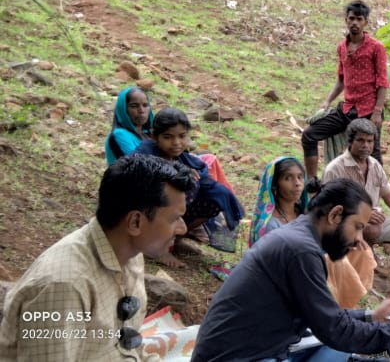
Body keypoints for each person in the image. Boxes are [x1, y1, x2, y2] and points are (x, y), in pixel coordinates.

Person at [191, 178, 390, 362]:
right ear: (335, 215)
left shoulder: (300, 239)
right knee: (344, 346)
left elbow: (327, 318)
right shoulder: (300, 250)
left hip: (261, 347)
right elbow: (336, 330)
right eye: (356, 226)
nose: (359, 239)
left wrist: (370, 316)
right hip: (240, 357)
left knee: (343, 350)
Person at [0, 155, 196, 361]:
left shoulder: (132, 255)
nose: (182, 228)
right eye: (175, 219)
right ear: (136, 222)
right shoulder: (65, 286)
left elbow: (129, 348)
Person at [252, 156, 376, 309]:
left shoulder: (304, 213)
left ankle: (347, 302)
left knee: (360, 250)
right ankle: (336, 307)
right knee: (335, 261)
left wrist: (354, 237)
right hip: (290, 274)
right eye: (288, 178)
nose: (297, 183)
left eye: (299, 177)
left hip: (310, 259)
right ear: (275, 185)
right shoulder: (271, 224)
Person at [131, 107, 244, 267]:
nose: (177, 143)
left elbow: (204, 178)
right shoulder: (145, 152)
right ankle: (157, 247)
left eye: (182, 136)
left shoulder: (183, 158)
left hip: (171, 212)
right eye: (168, 137)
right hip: (144, 208)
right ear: (155, 137)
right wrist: (176, 173)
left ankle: (174, 239)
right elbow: (140, 176)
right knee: (182, 187)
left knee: (217, 194)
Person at [302, 0, 390, 183]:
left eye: (359, 19)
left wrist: (377, 112)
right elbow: (341, 78)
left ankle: (376, 196)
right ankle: (312, 181)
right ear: (346, 20)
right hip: (346, 109)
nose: (354, 23)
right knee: (309, 134)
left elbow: (383, 81)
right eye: (351, 19)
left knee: (371, 153)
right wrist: (327, 101)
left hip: (368, 110)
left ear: (366, 22)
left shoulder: (376, 47)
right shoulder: (342, 46)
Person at [324, 119, 390, 245]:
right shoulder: (335, 169)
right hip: (344, 223)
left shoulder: (375, 165)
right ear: (350, 141)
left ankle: (366, 244)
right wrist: (361, 214)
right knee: (372, 229)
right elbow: (327, 206)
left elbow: (389, 197)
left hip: (373, 221)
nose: (365, 145)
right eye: (360, 140)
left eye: (369, 141)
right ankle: (359, 252)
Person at [105, 86, 154, 166]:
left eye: (145, 105)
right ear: (123, 109)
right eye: (134, 106)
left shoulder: (149, 134)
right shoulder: (119, 135)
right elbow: (138, 165)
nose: (141, 110)